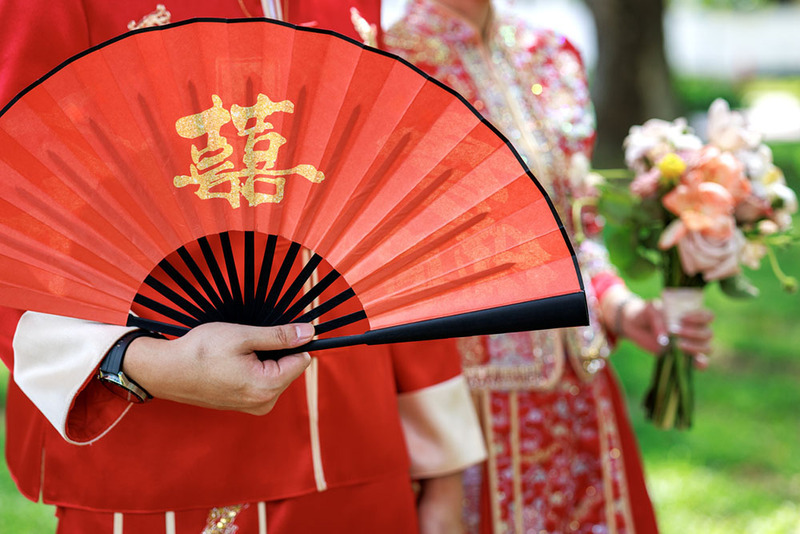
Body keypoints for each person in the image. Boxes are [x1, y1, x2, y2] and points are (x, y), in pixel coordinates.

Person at [0, 2, 485, 532]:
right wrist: (133, 361)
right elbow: (16, 200)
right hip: (160, 457)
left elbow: (390, 217)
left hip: (362, 450)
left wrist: (442, 470)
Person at [384, 1, 715, 532]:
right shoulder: (389, 59)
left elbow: (579, 233)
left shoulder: (553, 55)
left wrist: (623, 308)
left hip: (580, 388)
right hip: (467, 398)